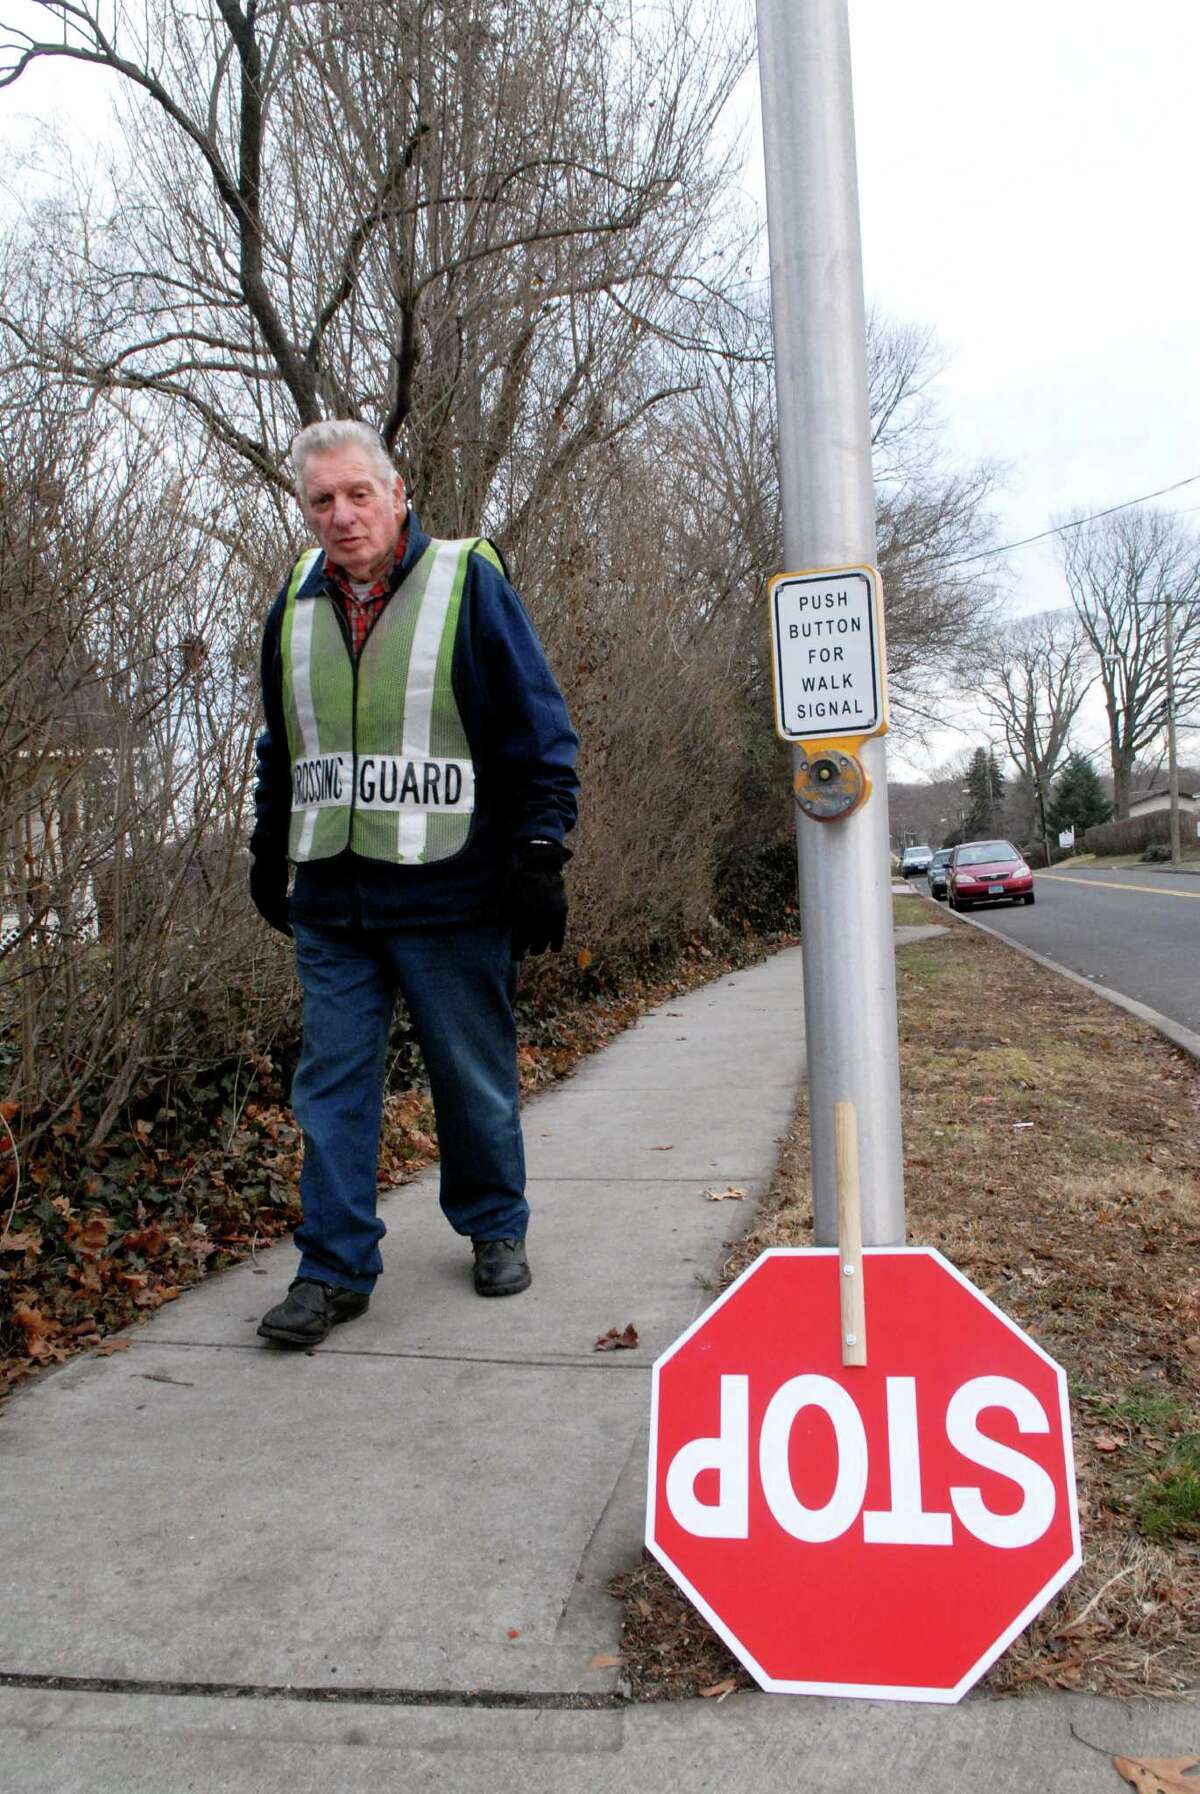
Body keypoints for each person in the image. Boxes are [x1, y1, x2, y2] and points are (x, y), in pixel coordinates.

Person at [249, 419, 579, 1348]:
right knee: (332, 1089)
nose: (343, 516)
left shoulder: (468, 580)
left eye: (359, 494)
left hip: (453, 894)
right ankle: (334, 1268)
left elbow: (540, 732)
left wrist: (541, 849)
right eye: (323, 500)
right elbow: (285, 748)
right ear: (306, 509)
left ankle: (494, 1225)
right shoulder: (293, 607)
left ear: (398, 494)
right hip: (334, 904)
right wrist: (266, 852)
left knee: (469, 1079)